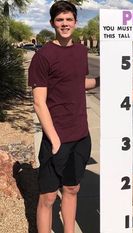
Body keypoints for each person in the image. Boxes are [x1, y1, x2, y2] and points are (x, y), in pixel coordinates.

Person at [28, 1, 99, 233]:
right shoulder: (43, 56)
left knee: (72, 189)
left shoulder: (81, 50)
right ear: (52, 23)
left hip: (80, 135)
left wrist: (106, 80)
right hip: (56, 138)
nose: (65, 24)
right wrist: (55, 140)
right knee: (48, 197)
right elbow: (39, 101)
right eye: (60, 20)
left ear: (76, 22)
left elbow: (77, 83)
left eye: (69, 19)